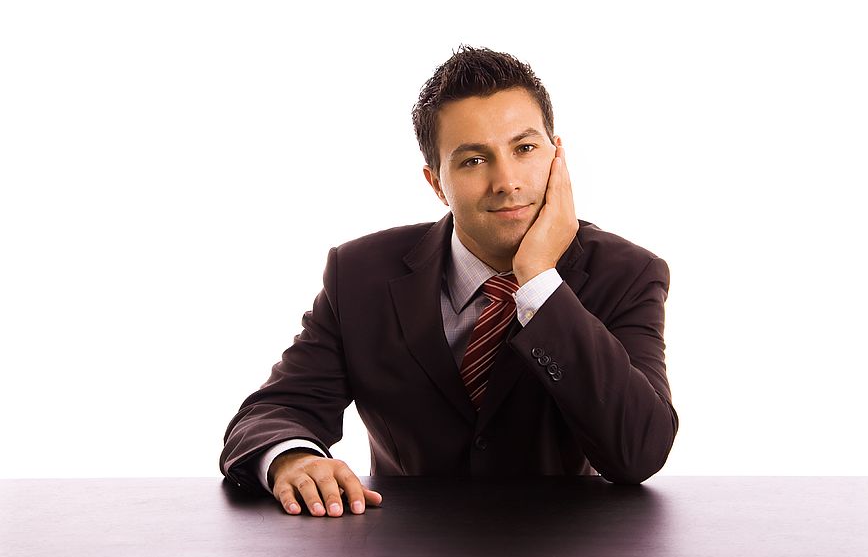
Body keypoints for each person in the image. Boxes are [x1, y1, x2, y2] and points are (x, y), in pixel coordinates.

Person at [220, 45, 678, 517]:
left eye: (525, 149)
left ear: (557, 156)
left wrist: (540, 281)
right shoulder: (360, 274)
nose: (507, 181)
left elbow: (639, 450)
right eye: (474, 161)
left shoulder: (626, 274)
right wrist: (292, 458)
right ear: (436, 182)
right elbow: (273, 410)